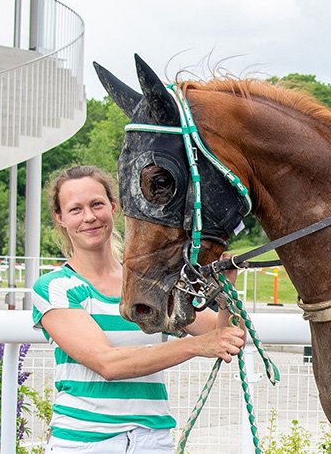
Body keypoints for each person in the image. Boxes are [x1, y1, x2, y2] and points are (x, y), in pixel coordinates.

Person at [32, 165, 245, 453]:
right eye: (76, 209)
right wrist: (197, 346)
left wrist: (224, 294)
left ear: (114, 207)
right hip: (86, 442)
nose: (90, 217)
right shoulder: (56, 287)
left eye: (97, 204)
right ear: (60, 218)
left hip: (153, 440)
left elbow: (226, 335)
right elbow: (108, 363)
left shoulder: (152, 284)